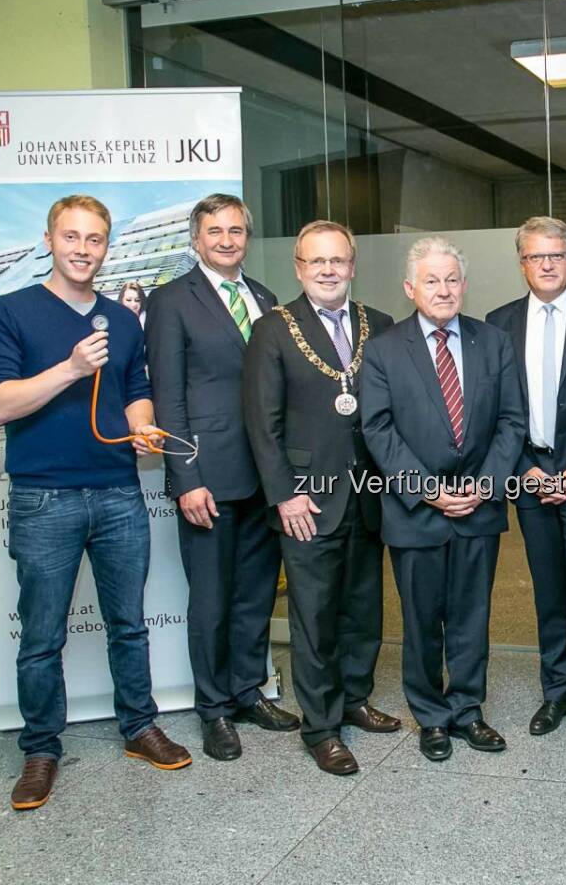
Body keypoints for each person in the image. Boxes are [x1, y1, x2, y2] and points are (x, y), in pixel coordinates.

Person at [0, 194, 191, 812]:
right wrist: (68, 369)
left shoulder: (121, 320)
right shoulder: (4, 313)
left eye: (94, 239)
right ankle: (41, 750)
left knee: (130, 624)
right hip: (44, 498)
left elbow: (137, 389)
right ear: (49, 240)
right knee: (41, 635)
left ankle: (139, 727)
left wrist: (143, 424)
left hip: (119, 491)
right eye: (71, 237)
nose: (83, 249)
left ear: (106, 247)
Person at [243, 220, 401, 775]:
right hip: (306, 500)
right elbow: (262, 425)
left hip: (368, 493)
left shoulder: (378, 324)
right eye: (317, 262)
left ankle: (355, 698)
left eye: (338, 260)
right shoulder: (273, 330)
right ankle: (322, 727)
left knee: (363, 608)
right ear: (299, 268)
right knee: (314, 615)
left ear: (352, 265)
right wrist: (283, 495)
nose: (329, 270)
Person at [145, 194, 298, 762]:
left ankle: (245, 691)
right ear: (195, 238)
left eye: (236, 230)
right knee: (210, 599)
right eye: (215, 231)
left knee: (257, 594)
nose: (227, 239)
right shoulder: (170, 301)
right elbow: (168, 396)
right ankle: (212, 709)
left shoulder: (265, 299)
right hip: (208, 474)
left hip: (266, 476)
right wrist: (185, 476)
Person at [361, 237, 525, 762]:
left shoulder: (494, 342)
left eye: (452, 279)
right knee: (421, 620)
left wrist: (485, 485)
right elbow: (378, 428)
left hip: (480, 505)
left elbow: (511, 421)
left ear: (465, 285)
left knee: (472, 616)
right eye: (431, 280)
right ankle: (431, 716)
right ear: (410, 288)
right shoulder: (385, 348)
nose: (443, 289)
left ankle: (468, 710)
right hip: (416, 512)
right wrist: (429, 491)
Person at [486, 217, 566, 757]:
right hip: (531, 476)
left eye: (556, 255)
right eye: (536, 256)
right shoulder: (498, 324)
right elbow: (493, 411)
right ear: (522, 263)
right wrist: (522, 468)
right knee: (548, 595)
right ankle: (557, 691)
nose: (546, 264)